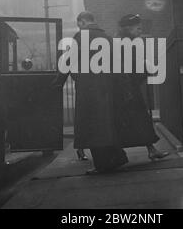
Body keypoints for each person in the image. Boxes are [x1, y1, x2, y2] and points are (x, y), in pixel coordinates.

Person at [54, 11, 128, 174]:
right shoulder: (107, 38)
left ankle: (101, 165)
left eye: (78, 24)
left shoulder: (80, 37)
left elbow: (68, 61)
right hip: (106, 89)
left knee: (92, 126)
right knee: (106, 125)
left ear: (82, 22)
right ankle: (117, 158)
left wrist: (58, 82)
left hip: (88, 89)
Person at [114, 14, 169, 161]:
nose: (140, 31)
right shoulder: (123, 43)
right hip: (125, 89)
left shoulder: (126, 42)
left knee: (140, 119)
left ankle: (151, 150)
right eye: (138, 28)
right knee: (129, 120)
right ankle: (147, 150)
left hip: (129, 88)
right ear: (128, 28)